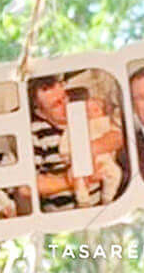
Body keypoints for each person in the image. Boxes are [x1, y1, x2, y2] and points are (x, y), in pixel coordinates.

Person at [29, 76, 124, 211]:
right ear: (40, 112)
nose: (66, 105)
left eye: (64, 97)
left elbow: (117, 137)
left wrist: (88, 150)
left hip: (99, 206)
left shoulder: (82, 113)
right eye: (56, 105)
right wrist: (70, 180)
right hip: (64, 213)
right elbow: (26, 188)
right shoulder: (35, 133)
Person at [58, 91, 124, 206]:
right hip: (80, 161)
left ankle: (108, 197)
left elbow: (116, 137)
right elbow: (65, 144)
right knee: (78, 177)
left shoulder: (106, 123)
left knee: (115, 173)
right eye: (88, 111)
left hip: (103, 160)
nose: (92, 114)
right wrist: (67, 154)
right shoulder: (74, 126)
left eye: (96, 110)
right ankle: (83, 199)